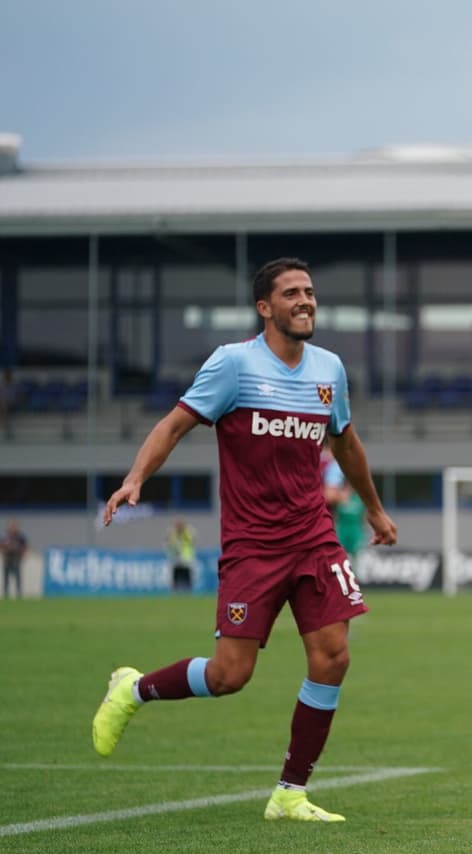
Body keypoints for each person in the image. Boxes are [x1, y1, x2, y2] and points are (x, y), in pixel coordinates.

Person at [92, 257, 397, 822]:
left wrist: (375, 510)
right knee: (229, 675)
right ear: (266, 308)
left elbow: (346, 444)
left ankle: (290, 794)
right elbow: (174, 425)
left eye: (309, 292)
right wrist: (135, 479)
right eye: (291, 294)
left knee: (332, 658)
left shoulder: (329, 370)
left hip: (314, 539)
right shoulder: (233, 365)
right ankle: (132, 689)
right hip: (253, 547)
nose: (305, 301)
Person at [323, 449, 367, 564]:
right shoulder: (331, 465)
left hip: (352, 533)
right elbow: (329, 495)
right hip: (332, 531)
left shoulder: (357, 498)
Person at [165, 518, 197, 593]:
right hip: (175, 556)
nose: (179, 527)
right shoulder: (172, 532)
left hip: (187, 557)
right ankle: (173, 590)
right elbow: (167, 542)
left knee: (190, 573)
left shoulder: (188, 531)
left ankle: (190, 589)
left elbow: (193, 540)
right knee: (172, 573)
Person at [2, 520, 26, 599]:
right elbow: (1, 546)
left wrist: (22, 555)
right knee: (6, 577)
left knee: (17, 576)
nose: (12, 528)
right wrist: (4, 550)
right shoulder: (5, 536)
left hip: (16, 558)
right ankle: (6, 594)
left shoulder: (20, 537)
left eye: (14, 526)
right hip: (7, 558)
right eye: (11, 526)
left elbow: (24, 547)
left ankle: (19, 593)